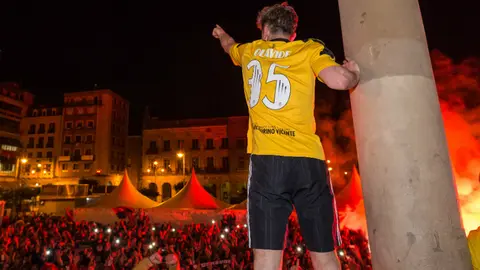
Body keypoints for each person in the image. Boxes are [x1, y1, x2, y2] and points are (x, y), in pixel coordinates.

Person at [212, 2, 360, 270]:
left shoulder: (250, 51)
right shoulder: (308, 49)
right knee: (324, 256)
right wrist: (355, 73)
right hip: (308, 163)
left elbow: (229, 46)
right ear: (292, 33)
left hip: (268, 166)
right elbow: (340, 81)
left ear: (265, 32)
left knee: (266, 258)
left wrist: (221, 34)